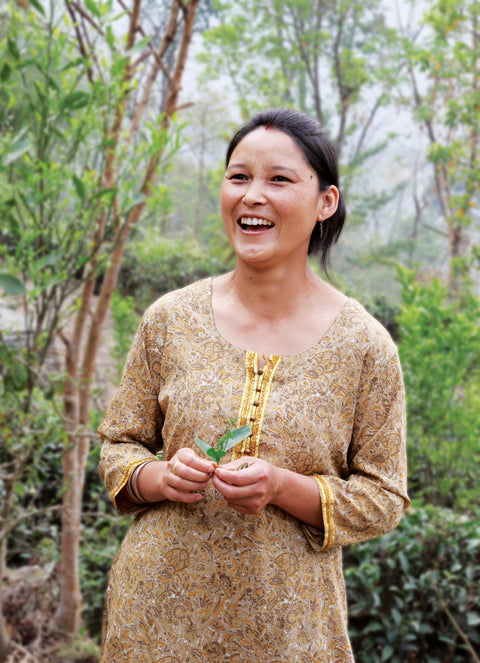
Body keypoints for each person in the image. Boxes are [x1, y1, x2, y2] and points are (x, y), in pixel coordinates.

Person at [98, 107, 409, 662]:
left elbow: (384, 497)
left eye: (279, 179)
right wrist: (161, 477)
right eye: (238, 177)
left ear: (325, 202)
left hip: (288, 633)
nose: (252, 196)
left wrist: (284, 486)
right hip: (154, 626)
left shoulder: (365, 346)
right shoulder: (170, 319)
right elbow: (119, 446)